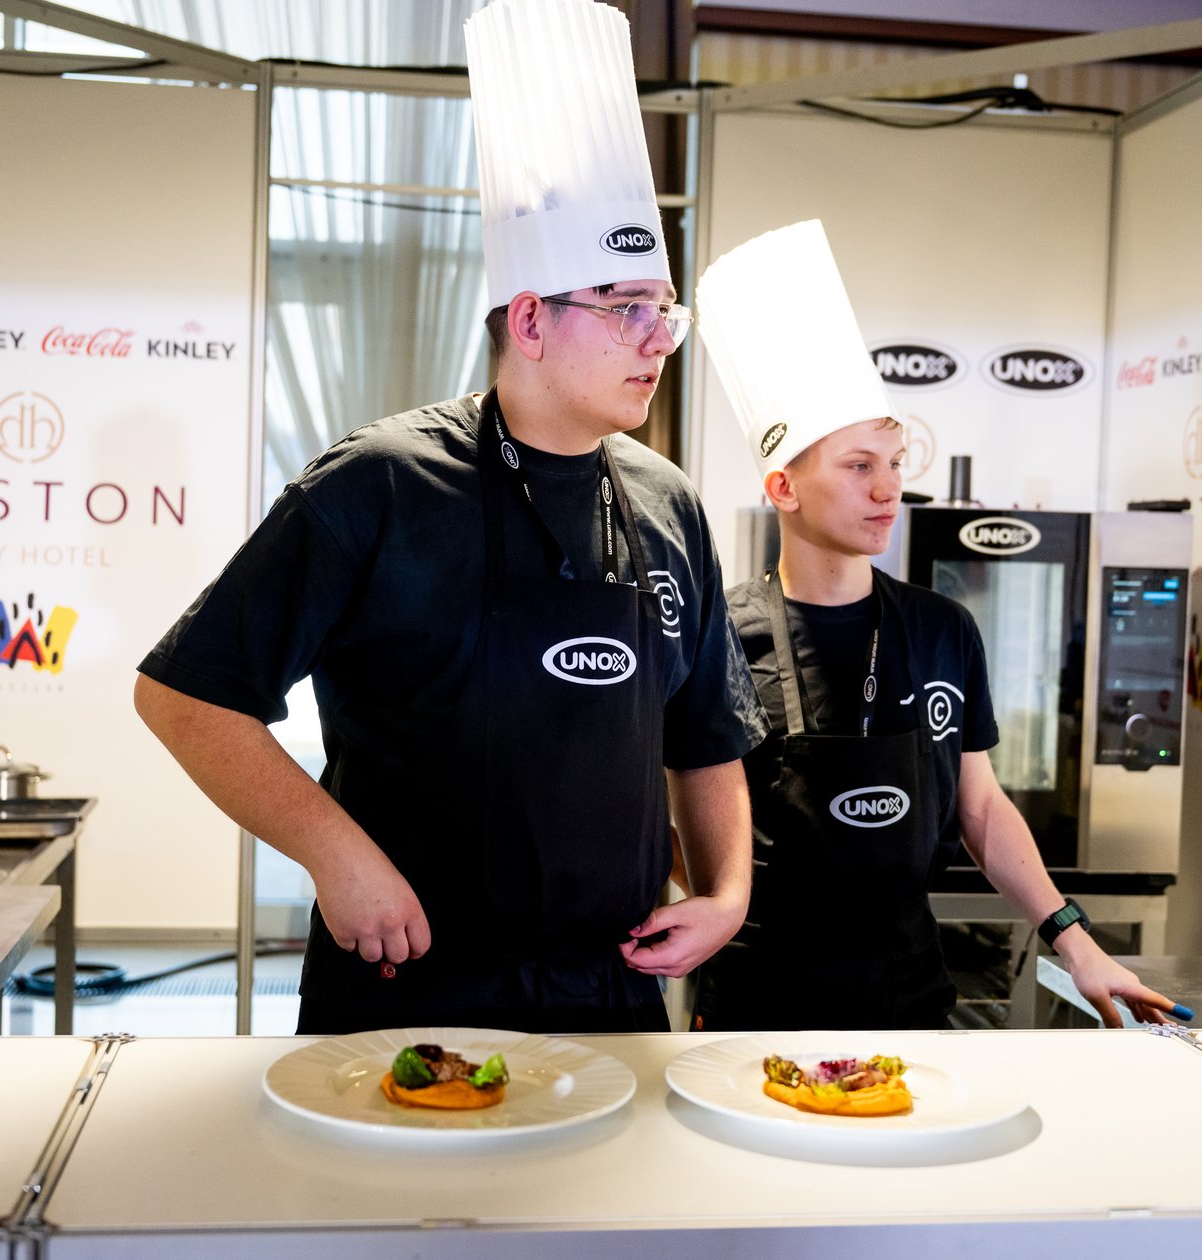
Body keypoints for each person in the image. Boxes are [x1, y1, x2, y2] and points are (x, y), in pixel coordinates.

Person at [133, 0, 763, 1036]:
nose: (659, 339)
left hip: (609, 992)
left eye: (665, 311)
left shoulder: (668, 502)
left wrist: (727, 893)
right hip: (407, 987)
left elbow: (706, 737)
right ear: (531, 319)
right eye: (626, 309)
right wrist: (337, 855)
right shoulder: (379, 482)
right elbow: (186, 696)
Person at [691, 220, 1176, 1031]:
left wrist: (1076, 940)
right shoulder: (722, 637)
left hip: (909, 999)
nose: (888, 490)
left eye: (894, 465)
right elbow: (685, 819)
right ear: (783, 487)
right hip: (757, 1002)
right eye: (859, 467)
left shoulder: (942, 629)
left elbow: (980, 808)